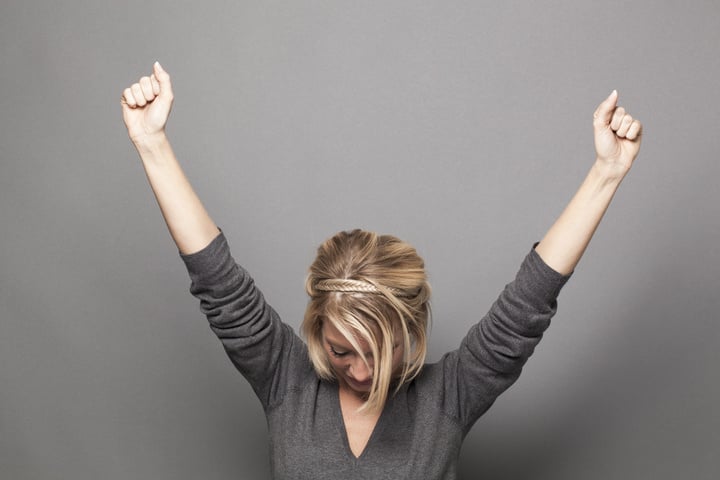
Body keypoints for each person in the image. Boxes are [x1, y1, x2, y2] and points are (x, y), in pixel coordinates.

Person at [121, 62, 642, 479]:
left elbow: (528, 303)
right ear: (316, 329)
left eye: (379, 350)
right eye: (342, 350)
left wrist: (606, 173)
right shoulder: (287, 382)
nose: (363, 372)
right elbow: (219, 284)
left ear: (411, 333)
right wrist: (152, 144)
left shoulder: (447, 399)